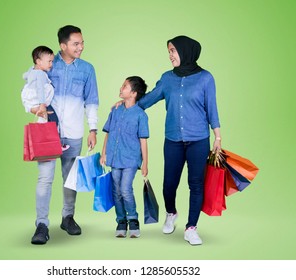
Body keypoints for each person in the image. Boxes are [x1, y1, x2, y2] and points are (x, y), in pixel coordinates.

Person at [136, 36, 222, 245]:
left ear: (185, 52)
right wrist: (126, 102)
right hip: (173, 139)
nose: (170, 55)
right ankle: (171, 212)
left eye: (173, 51)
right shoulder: (167, 78)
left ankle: (191, 228)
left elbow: (212, 110)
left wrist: (217, 137)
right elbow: (147, 100)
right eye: (169, 51)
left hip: (198, 140)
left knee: (196, 184)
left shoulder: (205, 78)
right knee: (169, 184)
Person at [30, 25, 99, 245]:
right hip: (47, 132)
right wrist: (34, 109)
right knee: (45, 179)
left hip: (74, 132)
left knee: (71, 179)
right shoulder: (47, 64)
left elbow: (92, 101)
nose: (81, 47)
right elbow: (30, 91)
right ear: (63, 45)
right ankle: (41, 224)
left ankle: (68, 217)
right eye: (75, 43)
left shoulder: (87, 69)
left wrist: (93, 129)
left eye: (82, 43)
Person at [100, 76, 149, 238]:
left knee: (125, 189)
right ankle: (121, 221)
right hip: (114, 157)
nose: (121, 89)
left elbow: (143, 141)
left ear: (134, 93)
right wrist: (103, 153)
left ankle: (133, 219)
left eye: (125, 86)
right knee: (116, 191)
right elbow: (108, 133)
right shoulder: (115, 110)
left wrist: (145, 163)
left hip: (131, 159)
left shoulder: (141, 115)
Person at [21, 46, 59, 126]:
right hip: (39, 101)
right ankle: (51, 136)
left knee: (44, 119)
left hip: (30, 100)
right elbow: (40, 89)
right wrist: (42, 105)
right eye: (49, 61)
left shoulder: (32, 70)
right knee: (54, 119)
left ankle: (42, 131)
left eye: (52, 61)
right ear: (38, 61)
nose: (51, 64)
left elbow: (24, 76)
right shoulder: (40, 74)